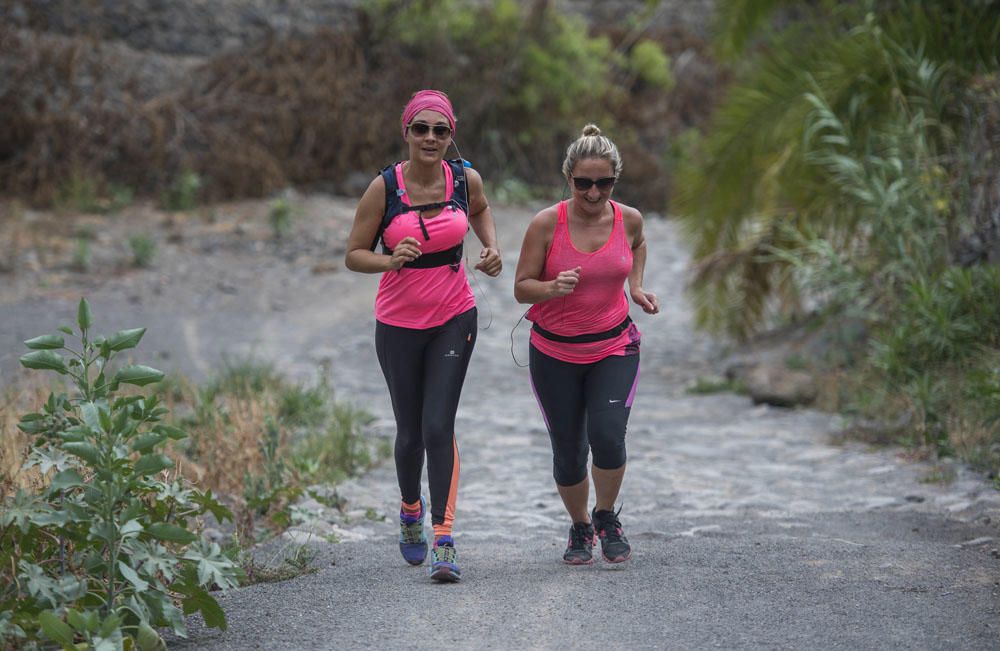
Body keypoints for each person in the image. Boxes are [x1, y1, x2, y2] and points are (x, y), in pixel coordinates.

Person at [344, 90, 502, 582]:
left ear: (451, 134)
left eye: (441, 130)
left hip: (455, 316)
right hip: (397, 324)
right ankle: (410, 509)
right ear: (406, 132)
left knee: (439, 426)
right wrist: (390, 259)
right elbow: (353, 254)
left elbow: (480, 209)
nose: (431, 138)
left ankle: (445, 539)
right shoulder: (384, 188)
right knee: (410, 432)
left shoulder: (463, 177)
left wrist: (491, 247)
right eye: (422, 129)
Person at [513, 124, 659, 565]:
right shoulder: (546, 223)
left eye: (604, 183)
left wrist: (635, 286)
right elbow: (521, 288)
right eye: (583, 183)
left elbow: (639, 245)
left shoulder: (628, 218)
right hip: (554, 352)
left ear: (615, 180)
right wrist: (552, 287)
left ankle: (605, 516)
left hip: (613, 346)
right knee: (569, 449)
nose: (593, 193)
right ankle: (580, 527)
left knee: (609, 436)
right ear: (568, 179)